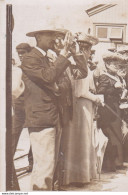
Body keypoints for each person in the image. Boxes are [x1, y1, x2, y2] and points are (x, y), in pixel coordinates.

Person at [21, 29, 74, 190]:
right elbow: (49, 77)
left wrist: (57, 88)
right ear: (38, 37)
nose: (54, 38)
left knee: (48, 166)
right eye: (50, 35)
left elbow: (58, 81)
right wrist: (64, 55)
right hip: (42, 119)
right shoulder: (30, 58)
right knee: (44, 168)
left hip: (51, 117)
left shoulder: (46, 58)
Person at [59, 32, 101, 186]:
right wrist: (97, 99)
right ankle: (78, 176)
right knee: (80, 140)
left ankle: (76, 175)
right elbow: (80, 92)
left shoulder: (76, 65)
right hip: (81, 107)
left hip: (81, 106)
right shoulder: (78, 66)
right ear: (85, 50)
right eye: (89, 50)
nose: (90, 53)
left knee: (77, 140)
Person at [97, 52, 128, 172]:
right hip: (108, 110)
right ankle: (109, 164)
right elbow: (100, 92)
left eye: (117, 64)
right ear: (107, 65)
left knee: (117, 134)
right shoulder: (104, 77)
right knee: (111, 134)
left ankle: (118, 161)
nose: (116, 66)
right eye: (113, 64)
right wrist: (113, 88)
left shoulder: (117, 77)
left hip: (116, 107)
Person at [10, 43, 32, 191]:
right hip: (18, 110)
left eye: (23, 52)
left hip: (31, 109)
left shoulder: (32, 68)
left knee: (36, 139)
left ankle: (32, 162)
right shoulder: (17, 69)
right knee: (11, 140)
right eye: (19, 53)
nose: (21, 55)